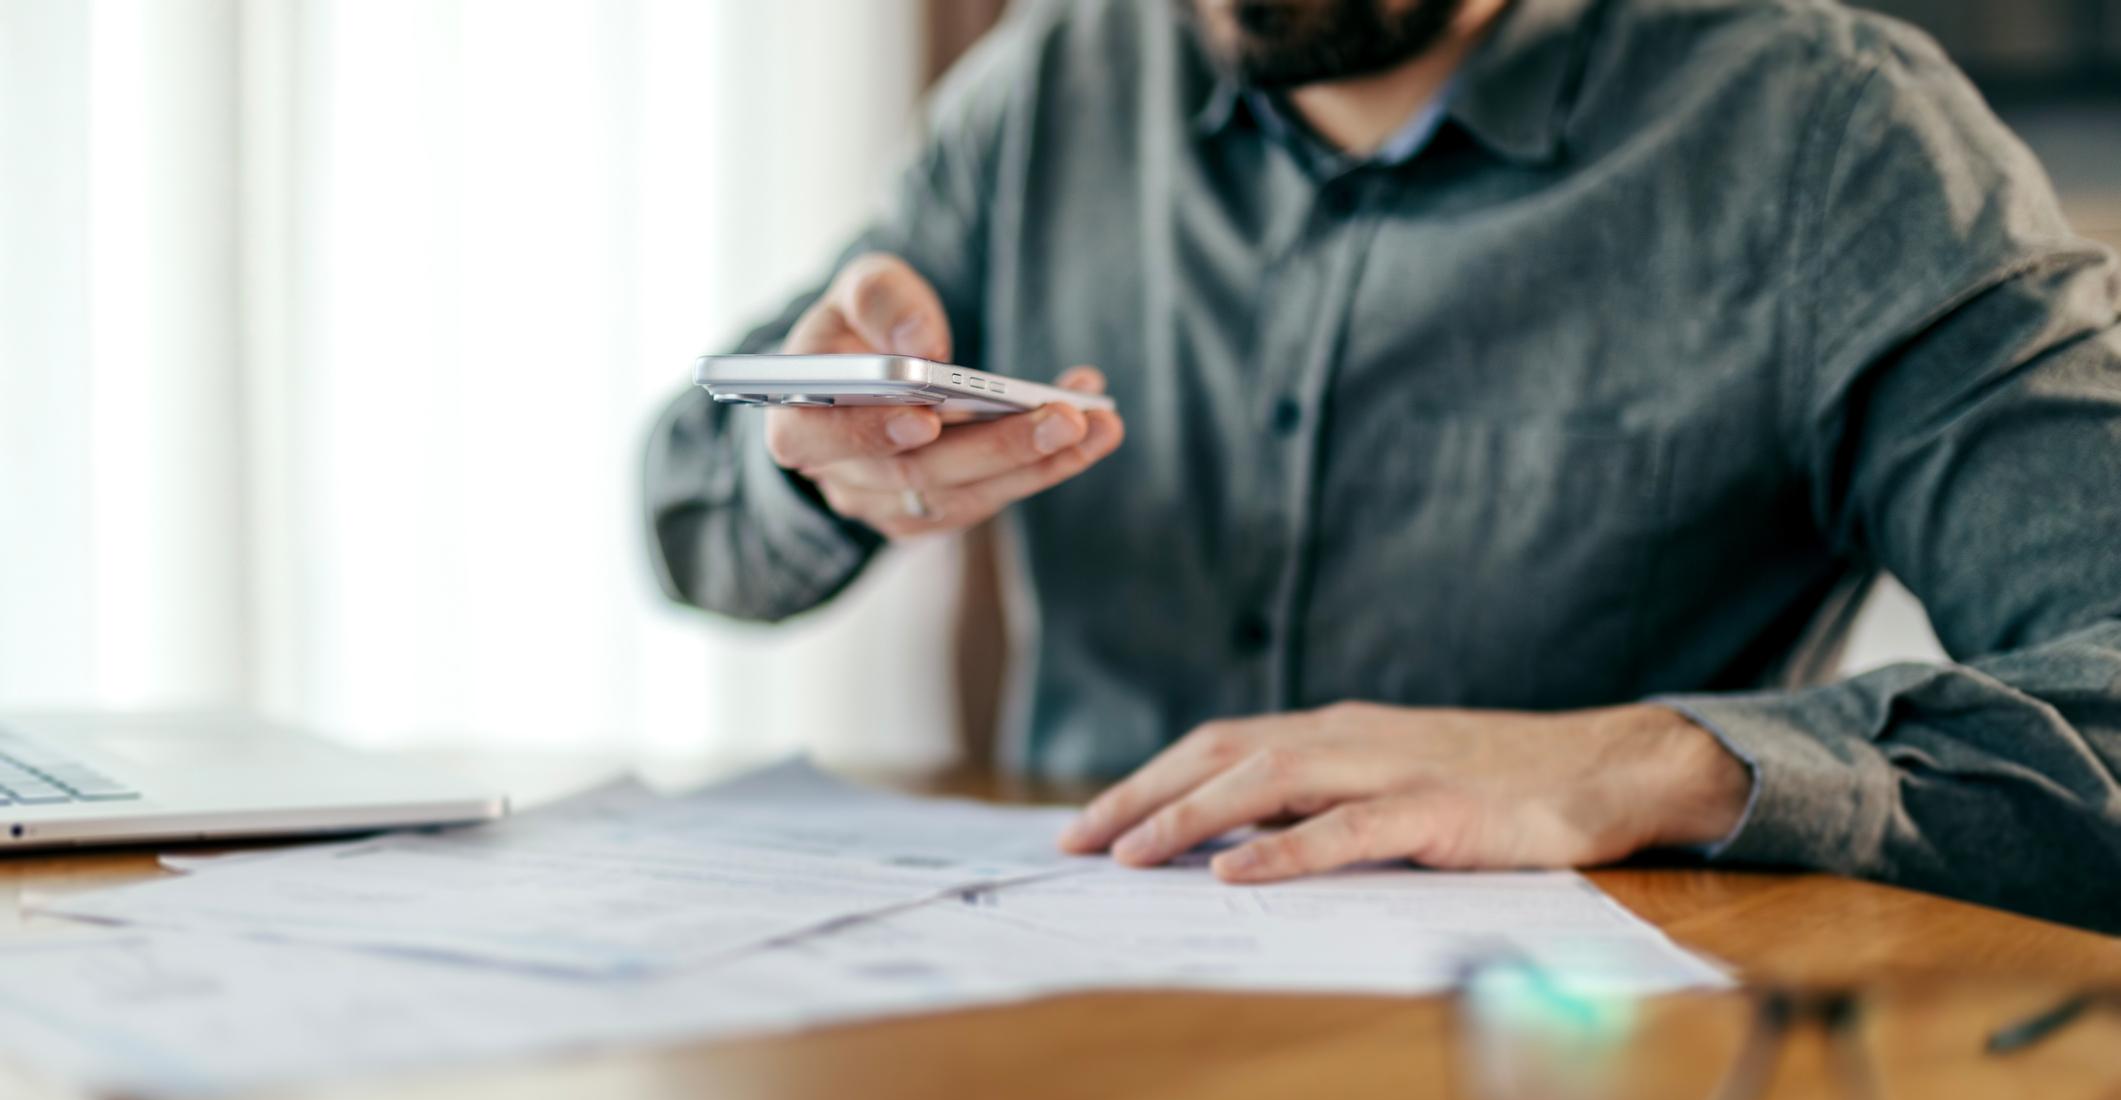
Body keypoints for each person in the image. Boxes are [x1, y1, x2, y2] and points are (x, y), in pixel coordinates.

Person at [645, 0, 2121, 932]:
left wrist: (1642, 759)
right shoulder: (1050, 87)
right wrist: (813, 463)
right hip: (1046, 1043)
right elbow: (692, 513)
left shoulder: (1836, 141)